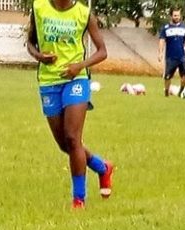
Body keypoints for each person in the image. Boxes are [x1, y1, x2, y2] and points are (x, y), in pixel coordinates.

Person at [27, 0, 114, 209]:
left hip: (77, 80)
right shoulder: (39, 8)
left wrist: (80, 66)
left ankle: (78, 200)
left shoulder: (84, 13)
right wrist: (39, 56)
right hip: (49, 82)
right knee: (64, 145)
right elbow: (30, 43)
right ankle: (102, 167)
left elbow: (102, 51)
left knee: (73, 137)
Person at [158, 8, 185, 97]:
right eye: (175, 15)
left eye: (178, 15)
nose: (177, 17)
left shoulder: (184, 27)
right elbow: (161, 41)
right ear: (171, 16)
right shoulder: (166, 28)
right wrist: (160, 53)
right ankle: (166, 91)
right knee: (167, 77)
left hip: (182, 57)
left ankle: (181, 91)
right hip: (170, 58)